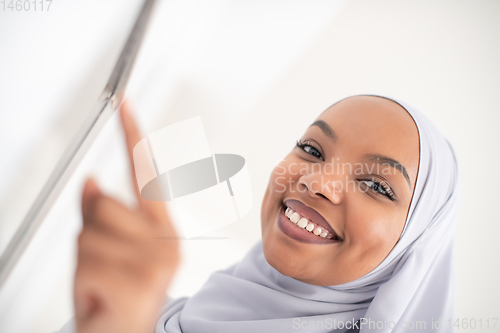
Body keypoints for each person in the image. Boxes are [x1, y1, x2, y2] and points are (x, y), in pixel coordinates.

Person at [58, 95, 460, 333]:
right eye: (313, 151)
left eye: (376, 186)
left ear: (413, 249)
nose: (317, 181)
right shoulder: (169, 309)